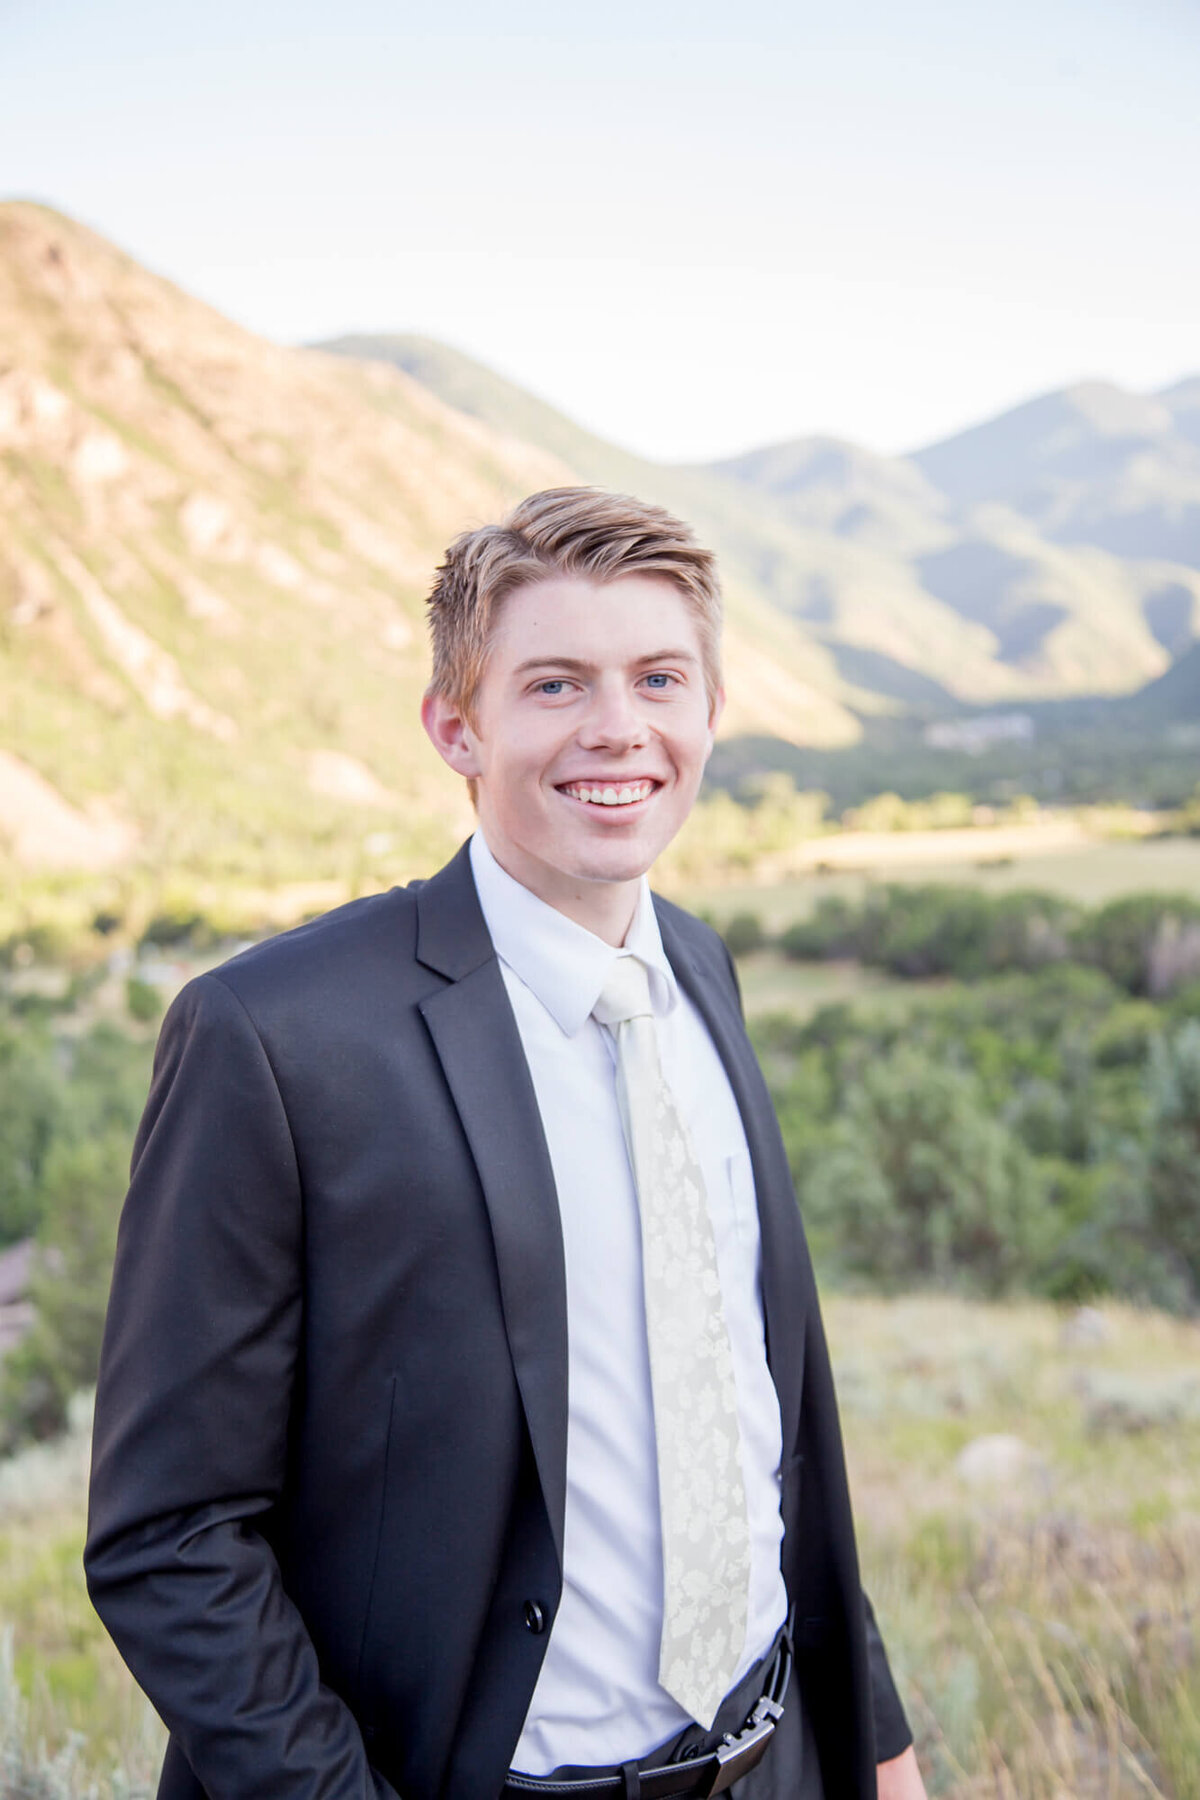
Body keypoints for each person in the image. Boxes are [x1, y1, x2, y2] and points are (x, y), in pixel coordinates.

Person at [86, 488, 928, 1800]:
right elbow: (169, 1533)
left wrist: (869, 1733)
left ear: (711, 712)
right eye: (554, 684)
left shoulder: (700, 969)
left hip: (780, 1756)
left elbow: (757, 1406)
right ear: (454, 726)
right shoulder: (274, 1037)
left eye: (659, 678)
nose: (618, 729)